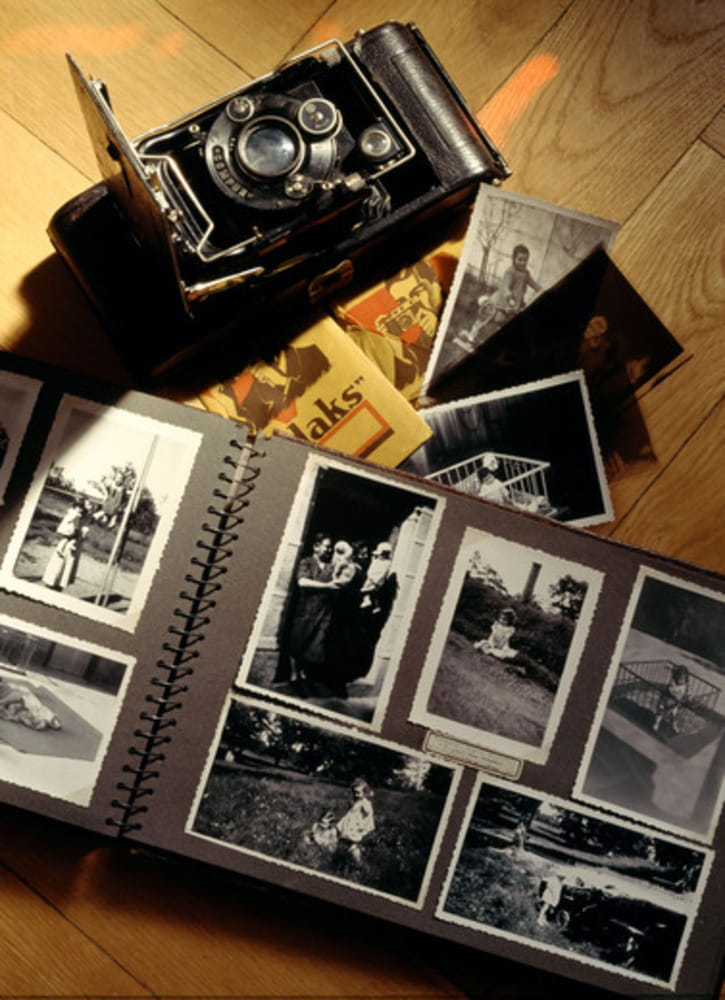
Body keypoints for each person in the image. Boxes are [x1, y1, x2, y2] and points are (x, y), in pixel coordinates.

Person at [275, 533, 334, 685]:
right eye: (327, 546)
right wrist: (326, 586)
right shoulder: (306, 562)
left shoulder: (331, 567)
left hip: (323, 610)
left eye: (330, 547)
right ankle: (295, 673)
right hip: (305, 609)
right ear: (316, 546)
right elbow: (302, 582)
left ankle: (303, 671)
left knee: (315, 642)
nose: (329, 550)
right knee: (299, 639)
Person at [41, 498, 91, 591]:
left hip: (74, 543)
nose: (89, 506)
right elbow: (64, 528)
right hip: (68, 542)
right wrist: (72, 533)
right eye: (87, 504)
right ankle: (50, 584)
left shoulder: (85, 517)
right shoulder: (73, 515)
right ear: (80, 506)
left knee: (68, 565)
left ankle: (59, 585)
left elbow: (92, 519)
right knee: (59, 563)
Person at [335, 778, 375, 874]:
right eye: (354, 792)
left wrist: (365, 801)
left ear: (365, 793)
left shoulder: (365, 803)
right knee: (345, 842)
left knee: (353, 845)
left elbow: (368, 813)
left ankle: (359, 865)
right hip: (349, 825)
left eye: (358, 793)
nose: (355, 795)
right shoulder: (356, 801)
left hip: (355, 827)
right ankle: (344, 861)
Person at [492, 244, 542, 318]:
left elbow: (531, 282)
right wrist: (508, 295)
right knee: (500, 318)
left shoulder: (526, 273)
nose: (522, 263)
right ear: (513, 258)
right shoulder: (511, 272)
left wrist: (538, 288)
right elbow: (506, 286)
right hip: (507, 300)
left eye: (525, 260)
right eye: (520, 260)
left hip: (517, 300)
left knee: (512, 315)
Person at [653, 663, 690, 734]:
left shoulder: (684, 685)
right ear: (676, 677)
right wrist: (678, 695)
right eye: (680, 679)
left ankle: (674, 727)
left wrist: (686, 695)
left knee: (674, 716)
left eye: (683, 679)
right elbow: (671, 691)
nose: (681, 681)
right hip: (666, 700)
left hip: (674, 703)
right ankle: (656, 723)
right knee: (660, 712)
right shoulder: (673, 683)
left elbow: (685, 693)